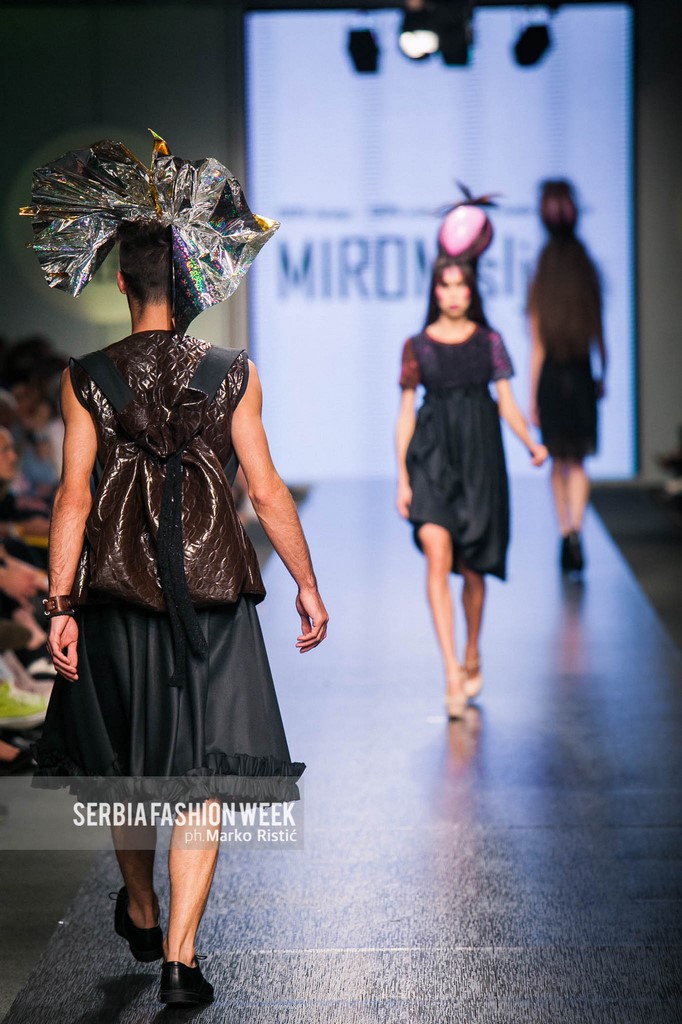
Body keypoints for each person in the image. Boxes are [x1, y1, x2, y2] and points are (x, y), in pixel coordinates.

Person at [23, 135, 328, 1006]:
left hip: (114, 596)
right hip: (212, 597)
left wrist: (59, 603)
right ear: (190, 282)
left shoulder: (86, 378)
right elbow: (266, 490)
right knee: (202, 773)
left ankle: (145, 906)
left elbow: (72, 498)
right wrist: (306, 584)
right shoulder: (234, 374)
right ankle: (181, 960)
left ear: (121, 283)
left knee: (127, 767)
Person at [396, 255, 547, 719]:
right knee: (437, 553)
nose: (453, 294)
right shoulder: (416, 346)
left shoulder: (489, 342)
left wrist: (531, 444)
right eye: (445, 285)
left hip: (480, 458)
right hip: (431, 456)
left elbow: (507, 404)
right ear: (434, 291)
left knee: (474, 568)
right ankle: (451, 673)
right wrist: (403, 477)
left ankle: (473, 649)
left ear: (471, 291)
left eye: (461, 285)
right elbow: (405, 413)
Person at [527, 180, 607, 573]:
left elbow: (537, 343)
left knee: (558, 461)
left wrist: (531, 397)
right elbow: (598, 330)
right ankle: (577, 531)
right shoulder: (584, 266)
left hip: (552, 377)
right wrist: (604, 370)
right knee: (577, 461)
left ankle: (564, 532)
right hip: (580, 373)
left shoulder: (544, 269)